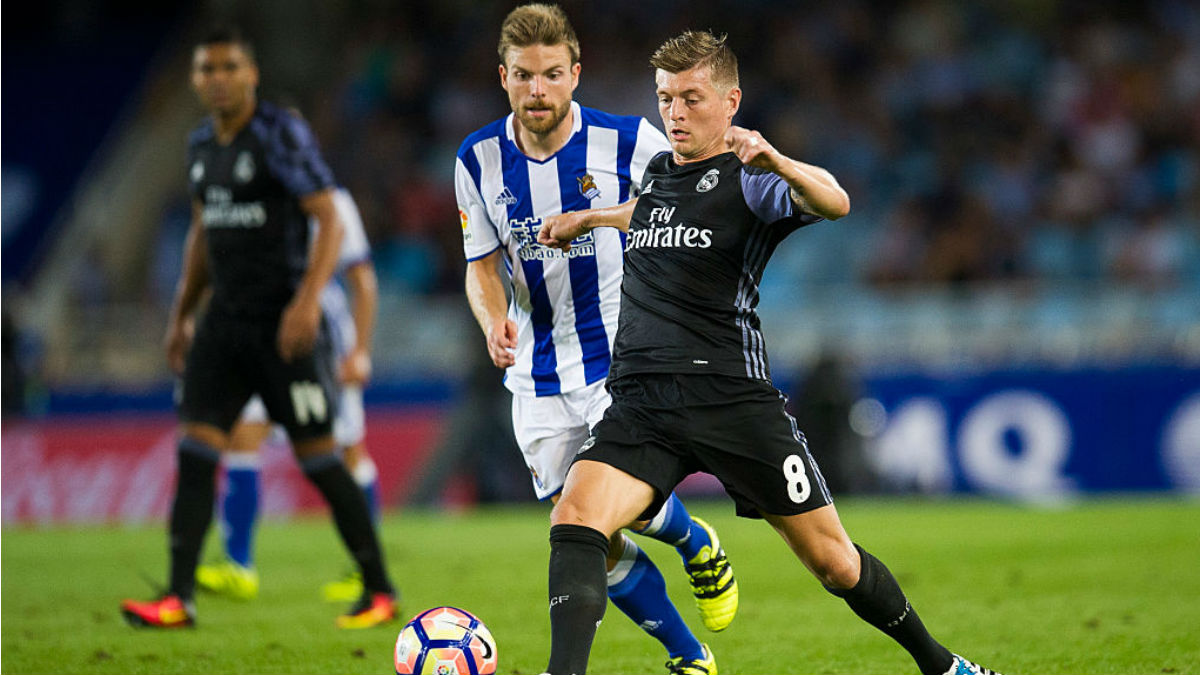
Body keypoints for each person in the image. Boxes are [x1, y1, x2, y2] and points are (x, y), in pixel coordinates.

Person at [536, 31, 1002, 675]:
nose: (674, 113)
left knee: (835, 563)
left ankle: (942, 665)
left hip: (730, 400)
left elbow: (834, 201)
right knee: (578, 517)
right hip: (642, 399)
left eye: (691, 98)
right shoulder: (659, 172)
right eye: (665, 98)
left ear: (730, 102)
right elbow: (648, 214)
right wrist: (587, 219)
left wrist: (777, 159)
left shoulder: (751, 179)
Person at [456, 5, 737, 674]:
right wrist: (492, 318)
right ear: (504, 77)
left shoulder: (627, 140)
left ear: (575, 73)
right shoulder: (477, 158)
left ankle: (691, 541)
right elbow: (480, 263)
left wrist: (603, 217)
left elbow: (686, 198)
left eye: (552, 74)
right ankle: (689, 645)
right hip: (535, 376)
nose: (538, 90)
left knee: (597, 512)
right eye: (524, 76)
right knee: (592, 538)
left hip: (621, 361)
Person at [120, 27, 397, 630]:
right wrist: (181, 315)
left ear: (251, 74)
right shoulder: (199, 146)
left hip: (284, 327)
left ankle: (377, 587)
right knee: (196, 449)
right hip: (223, 323)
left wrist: (304, 305)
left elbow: (325, 216)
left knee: (321, 456)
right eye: (206, 68)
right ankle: (178, 596)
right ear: (195, 79)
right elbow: (202, 232)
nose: (217, 78)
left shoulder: (277, 134)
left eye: (229, 66)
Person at [194, 187, 383, 604]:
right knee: (244, 432)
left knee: (346, 449)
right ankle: (237, 566)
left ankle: (366, 568)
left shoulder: (333, 200)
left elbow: (362, 281)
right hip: (256, 332)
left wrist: (361, 352)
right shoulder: (245, 194)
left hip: (317, 336)